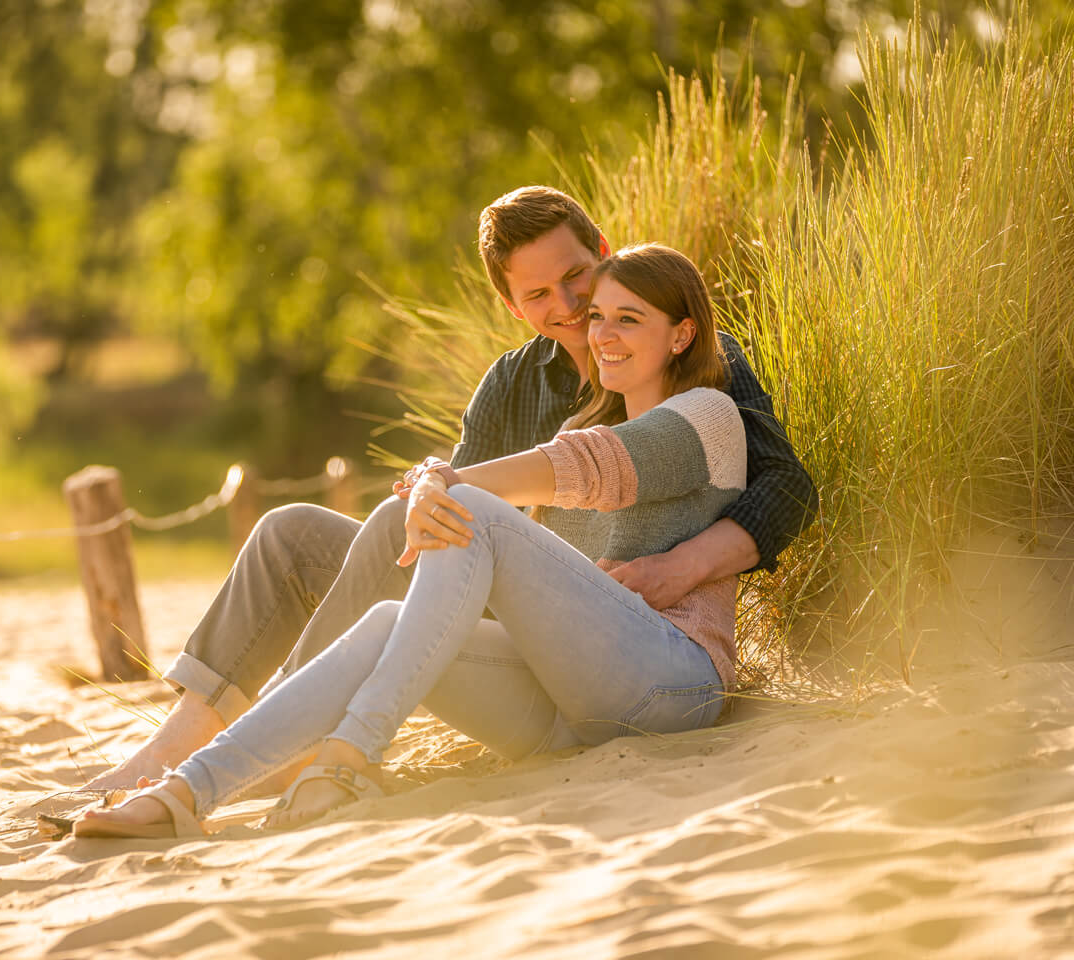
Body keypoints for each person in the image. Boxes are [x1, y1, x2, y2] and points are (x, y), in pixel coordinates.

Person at [84, 186, 816, 795]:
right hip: (516, 597)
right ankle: (173, 749)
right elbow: (447, 526)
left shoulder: (698, 364)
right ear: (514, 307)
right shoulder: (513, 383)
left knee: (407, 515)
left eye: (576, 279)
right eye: (538, 293)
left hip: (621, 630)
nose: (567, 305)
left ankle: (282, 738)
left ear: (603, 253)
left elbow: (786, 486)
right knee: (292, 532)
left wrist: (683, 566)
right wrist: (436, 489)